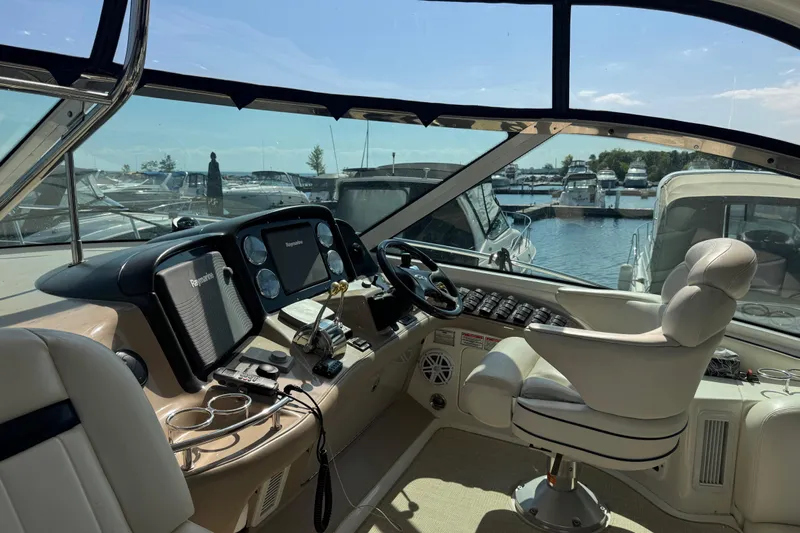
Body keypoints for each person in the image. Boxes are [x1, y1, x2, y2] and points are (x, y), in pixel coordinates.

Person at [207, 152, 223, 216]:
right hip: (212, 182)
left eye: (213, 156)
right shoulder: (210, 164)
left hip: (215, 182)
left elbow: (217, 172)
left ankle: (216, 210)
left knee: (217, 197)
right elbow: (209, 172)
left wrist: (218, 180)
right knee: (211, 197)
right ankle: (211, 210)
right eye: (212, 156)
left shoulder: (216, 163)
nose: (212, 157)